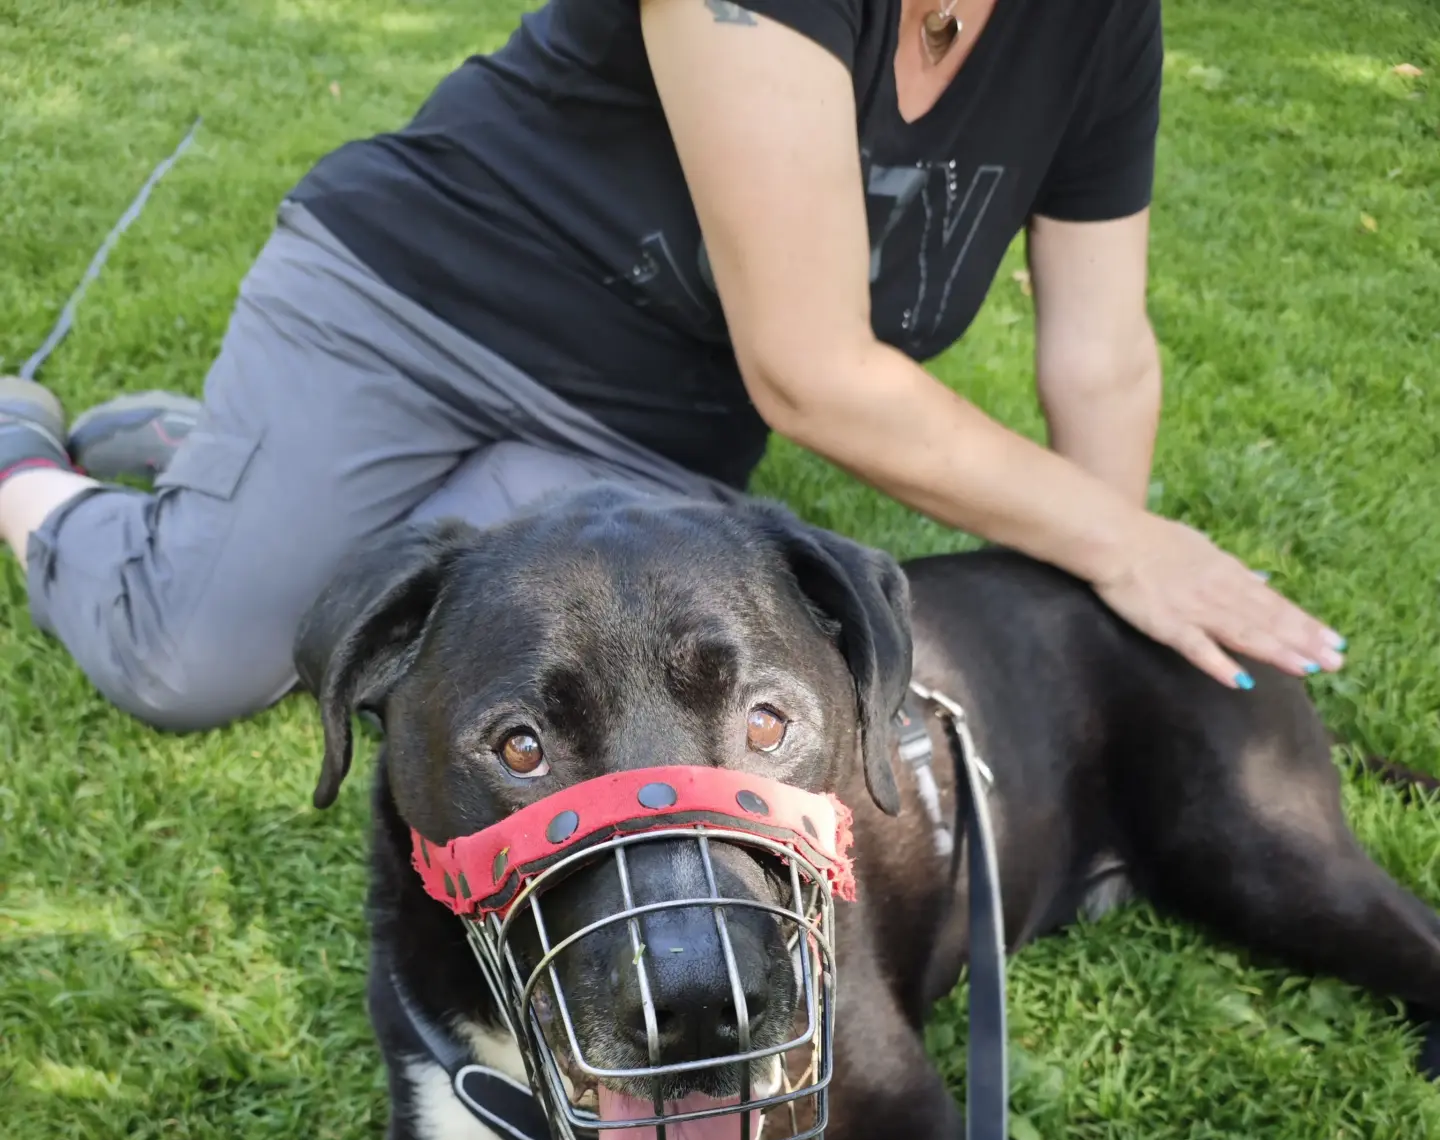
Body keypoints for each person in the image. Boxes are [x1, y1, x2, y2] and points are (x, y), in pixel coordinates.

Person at [0, 0, 1346, 732]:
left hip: (639, 437)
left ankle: (216, 456)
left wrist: (1100, 619)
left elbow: (1101, 348)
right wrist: (1124, 542)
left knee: (424, 622)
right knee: (193, 660)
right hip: (413, 309)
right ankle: (28, 460)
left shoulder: (1099, 22)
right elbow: (812, 371)